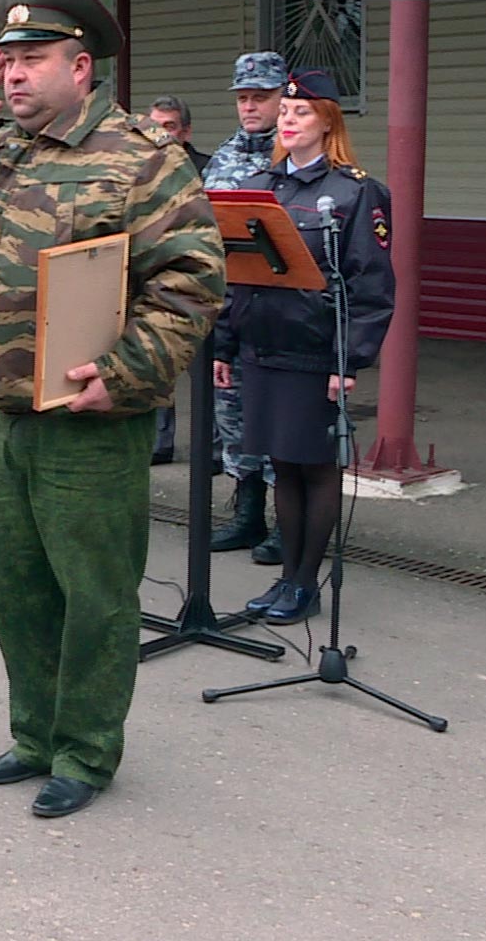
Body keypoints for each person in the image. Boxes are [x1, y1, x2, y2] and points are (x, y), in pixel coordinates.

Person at [0, 0, 224, 819]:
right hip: (9, 412)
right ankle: (34, 736)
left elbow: (190, 282)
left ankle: (85, 751)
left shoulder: (141, 158)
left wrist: (123, 378)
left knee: (94, 594)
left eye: (31, 60)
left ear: (81, 68)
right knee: (18, 587)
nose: (11, 75)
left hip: (89, 417)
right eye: (6, 62)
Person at [213, 67, 394, 625]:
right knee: (281, 467)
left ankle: (304, 583)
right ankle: (286, 577)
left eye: (301, 113)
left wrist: (351, 358)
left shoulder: (356, 193)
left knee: (315, 467)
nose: (288, 121)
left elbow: (371, 284)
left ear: (327, 123)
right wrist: (224, 345)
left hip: (315, 352)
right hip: (263, 347)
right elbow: (237, 274)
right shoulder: (264, 190)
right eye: (284, 113)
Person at [202, 52, 291, 565]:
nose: (250, 106)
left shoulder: (298, 154)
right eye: (243, 98)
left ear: (284, 97)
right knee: (234, 418)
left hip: (282, 314)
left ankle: (287, 521)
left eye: (261, 96)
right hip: (232, 310)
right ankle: (247, 514)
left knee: (281, 421)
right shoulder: (223, 158)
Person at [144, 95, 208, 464]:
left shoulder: (207, 169)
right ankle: (159, 442)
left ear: (185, 132)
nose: (159, 133)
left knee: (207, 372)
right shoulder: (139, 169)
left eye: (167, 126)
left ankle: (212, 448)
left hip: (199, 285)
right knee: (157, 365)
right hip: (154, 284)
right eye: (153, 125)